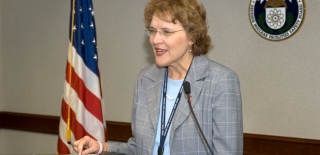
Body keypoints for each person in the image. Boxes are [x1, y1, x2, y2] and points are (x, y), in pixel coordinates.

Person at [73, 0, 243, 154]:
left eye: (167, 32)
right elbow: (139, 148)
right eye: (153, 31)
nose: (155, 40)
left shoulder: (220, 81)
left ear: (192, 36)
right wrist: (102, 147)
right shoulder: (146, 79)